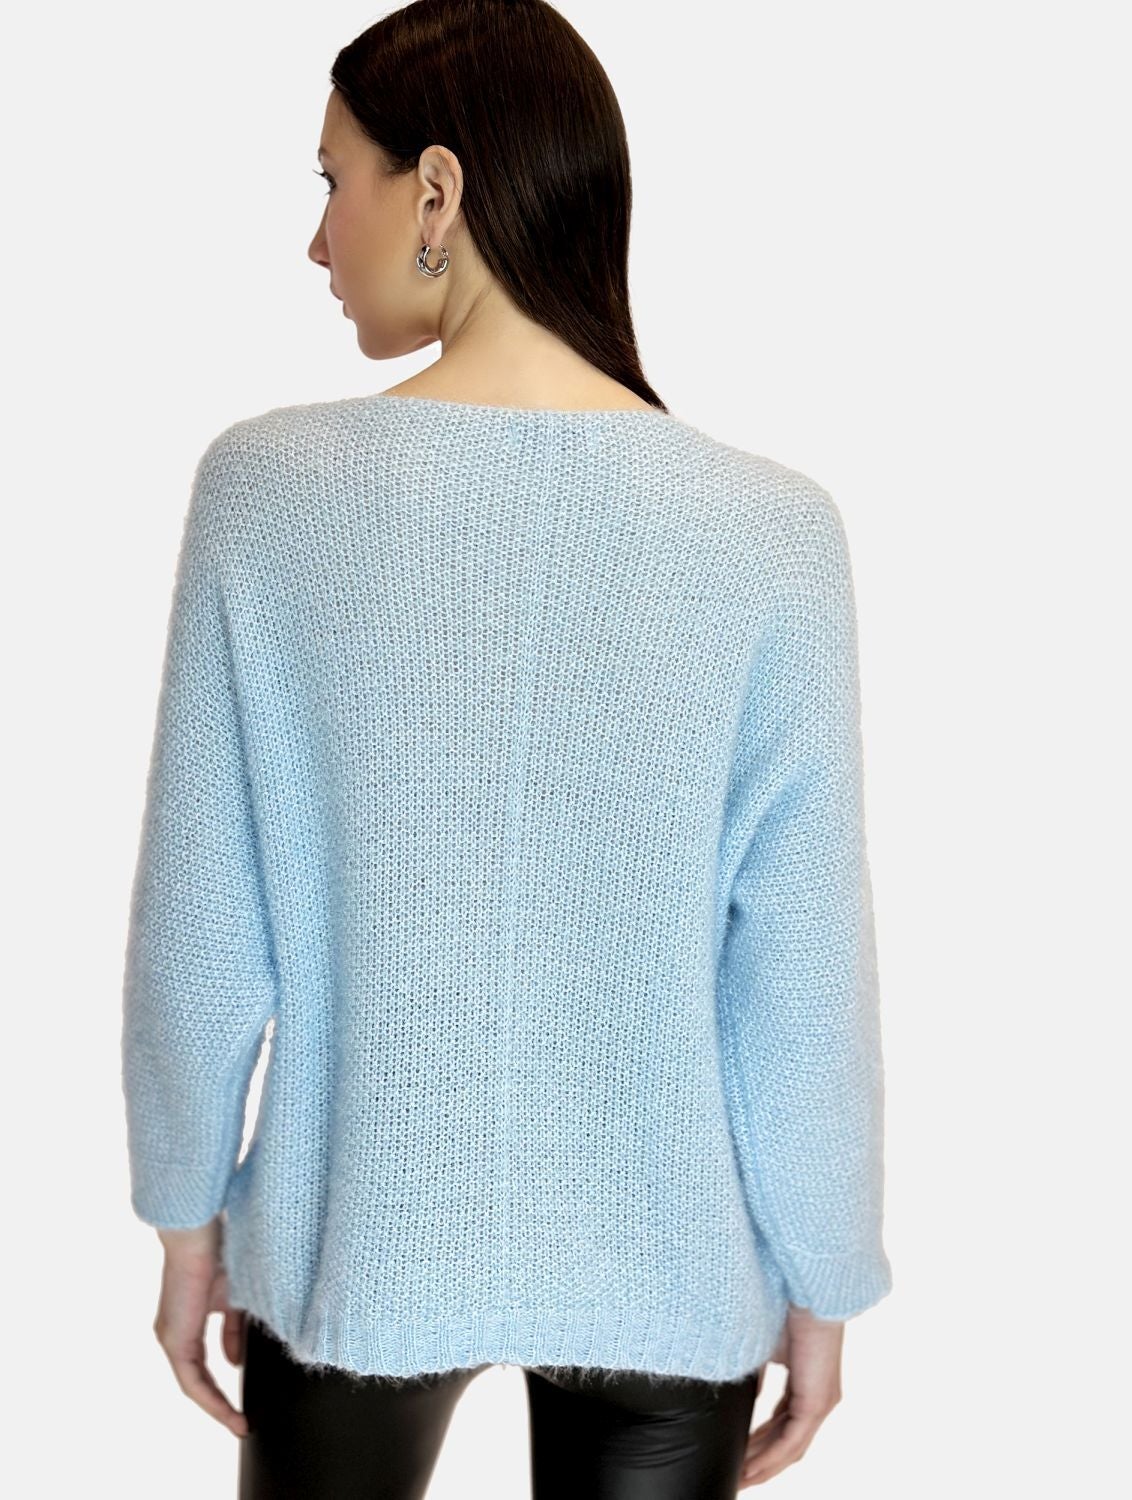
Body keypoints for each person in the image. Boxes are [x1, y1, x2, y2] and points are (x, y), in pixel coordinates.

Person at [120, 2, 893, 1495]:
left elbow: (204, 938)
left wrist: (186, 1222)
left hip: (355, 1237)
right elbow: (800, 975)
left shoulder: (268, 495)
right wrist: (825, 1276)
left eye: (331, 178)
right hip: (673, 1259)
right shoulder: (773, 536)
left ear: (437, 190)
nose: (315, 237)